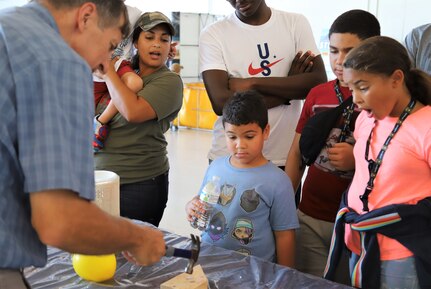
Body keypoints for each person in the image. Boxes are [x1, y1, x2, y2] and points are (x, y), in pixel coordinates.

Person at [0, 1, 166, 288]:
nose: (104, 61)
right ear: (86, 17)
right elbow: (59, 220)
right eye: (110, 44)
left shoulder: (8, 24)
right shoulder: (58, 60)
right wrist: (137, 238)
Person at [324, 36, 431, 289]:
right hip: (359, 243)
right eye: (351, 89)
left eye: (363, 87)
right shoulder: (367, 119)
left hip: (402, 253)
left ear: (396, 79)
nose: (356, 100)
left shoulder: (425, 126)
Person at [284, 10, 380, 282]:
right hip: (310, 215)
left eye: (349, 51)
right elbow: (296, 153)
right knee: (312, 281)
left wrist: (357, 158)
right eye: (334, 50)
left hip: (357, 219)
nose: (339, 61)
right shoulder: (318, 94)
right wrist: (284, 202)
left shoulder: (380, 97)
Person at [199, 0, 327, 169]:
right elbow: (221, 103)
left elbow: (317, 83)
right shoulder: (213, 34)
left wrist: (251, 83)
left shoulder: (295, 23)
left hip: (284, 157)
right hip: (231, 158)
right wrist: (289, 88)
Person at [185, 91, 299, 267]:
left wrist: (285, 277)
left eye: (249, 136)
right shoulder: (216, 167)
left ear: (265, 131)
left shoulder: (278, 181)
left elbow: (285, 236)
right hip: (209, 261)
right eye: (232, 137)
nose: (240, 145)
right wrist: (191, 206)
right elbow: (203, 200)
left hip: (254, 272)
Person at [94, 12, 183, 227]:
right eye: (149, 37)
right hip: (98, 181)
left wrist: (107, 71)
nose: (157, 45)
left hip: (138, 185)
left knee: (132, 256)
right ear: (135, 42)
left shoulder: (169, 82)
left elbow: (132, 112)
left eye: (164, 39)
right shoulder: (123, 72)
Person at [93, 5, 143, 153]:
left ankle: (100, 122)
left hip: (119, 64)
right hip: (94, 69)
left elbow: (150, 32)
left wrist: (168, 46)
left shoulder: (134, 13)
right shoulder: (89, 8)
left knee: (136, 82)